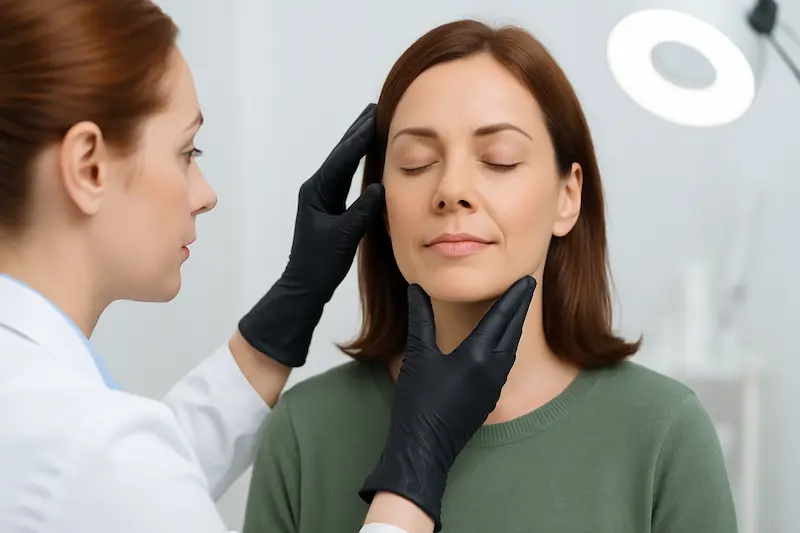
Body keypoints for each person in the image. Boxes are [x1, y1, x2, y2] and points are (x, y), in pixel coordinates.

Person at [0, 3, 536, 533]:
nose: (205, 196)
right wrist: (416, 466)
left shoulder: (58, 431)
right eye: (188, 151)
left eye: (501, 159)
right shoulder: (92, 452)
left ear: (569, 193)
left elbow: (124, 486)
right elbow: (111, 477)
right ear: (88, 165)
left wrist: (290, 308)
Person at [242, 19, 739, 533]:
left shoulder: (663, 433)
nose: (451, 189)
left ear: (567, 197)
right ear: (380, 204)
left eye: (499, 160)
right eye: (416, 163)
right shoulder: (305, 432)